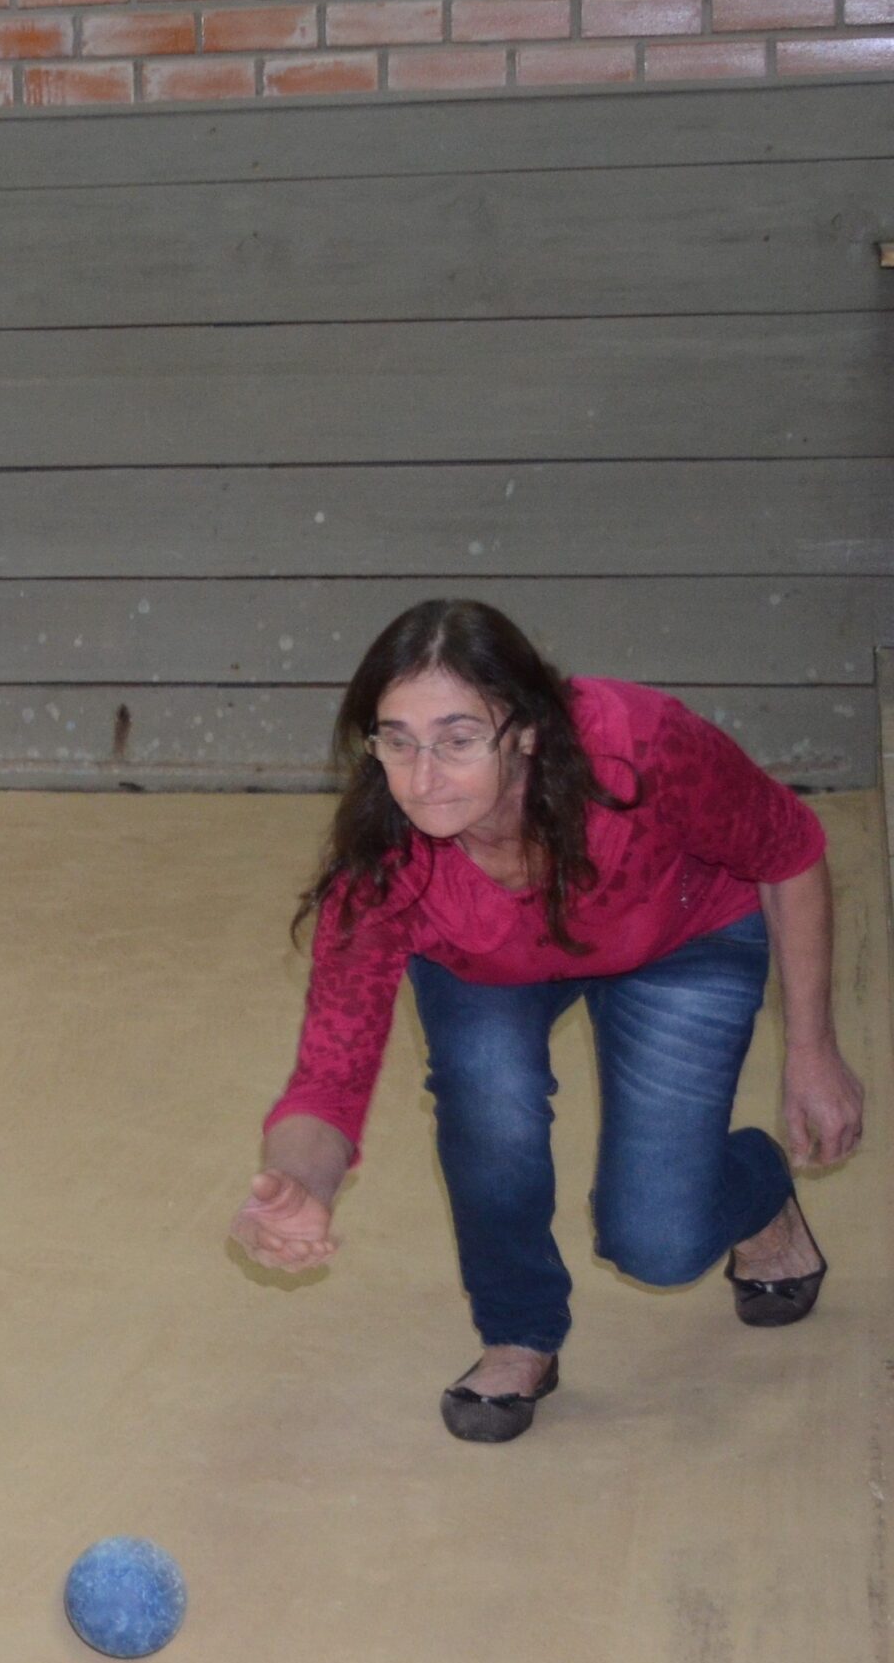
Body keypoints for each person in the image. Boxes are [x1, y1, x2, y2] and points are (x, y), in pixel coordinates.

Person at [229, 599, 864, 1442]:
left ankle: (756, 1191)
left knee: (658, 1244)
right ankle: (520, 1333)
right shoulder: (386, 866)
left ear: (524, 729)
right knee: (487, 1101)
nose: (423, 776)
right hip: (488, 964)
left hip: (678, 934)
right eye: (396, 739)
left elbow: (790, 849)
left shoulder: (638, 750)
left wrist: (814, 1050)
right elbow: (329, 1075)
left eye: (458, 737)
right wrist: (294, 1188)